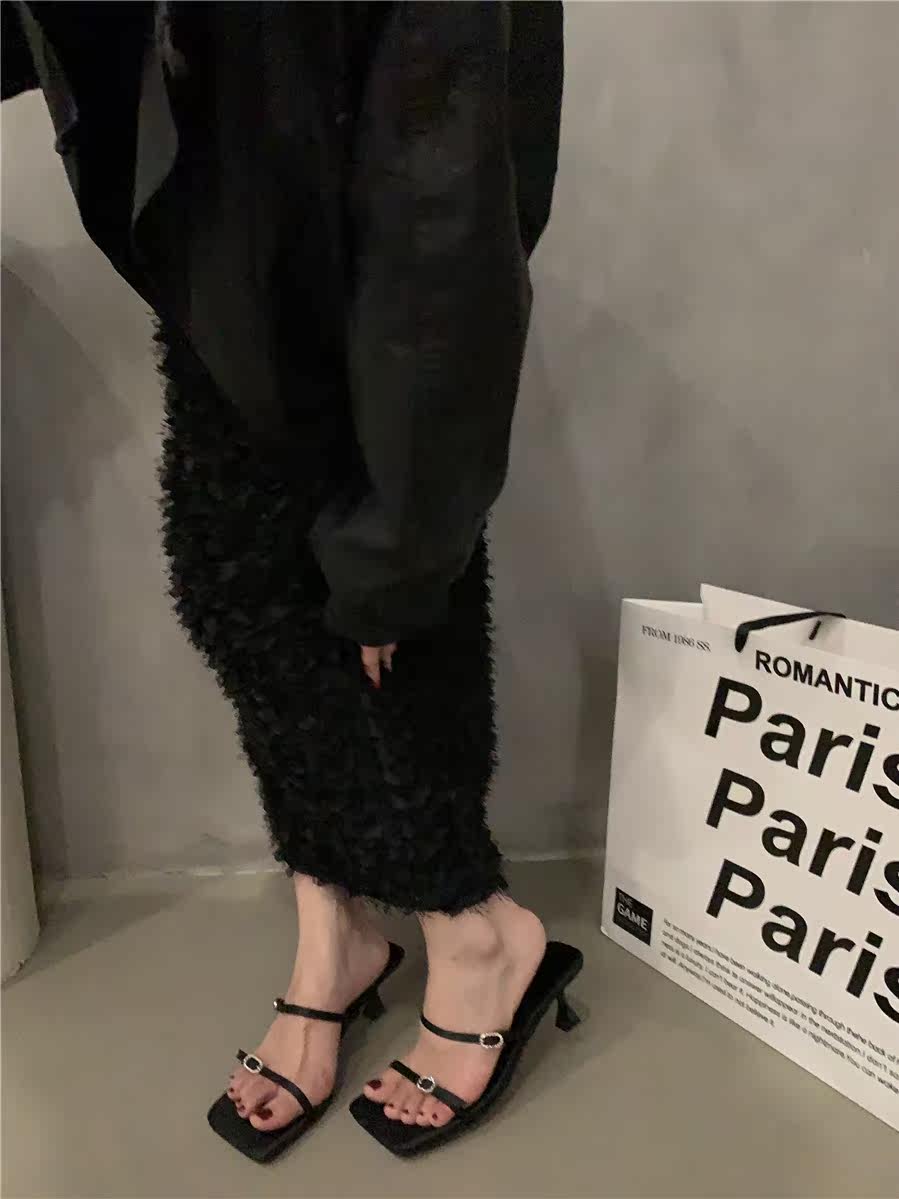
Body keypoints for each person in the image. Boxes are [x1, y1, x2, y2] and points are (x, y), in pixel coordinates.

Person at [5, 1, 582, 1161]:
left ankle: (476, 931)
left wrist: (397, 560)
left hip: (373, 280)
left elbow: (446, 245)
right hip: (232, 261)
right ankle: (336, 929)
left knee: (375, 613)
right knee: (239, 593)